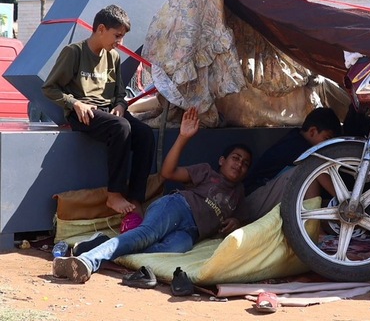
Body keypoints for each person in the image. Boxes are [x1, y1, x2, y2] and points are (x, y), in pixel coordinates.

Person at [52, 107, 252, 283]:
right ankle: (87, 261)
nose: (239, 164)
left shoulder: (239, 194)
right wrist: (183, 137)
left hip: (191, 233)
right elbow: (167, 173)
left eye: (245, 163)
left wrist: (236, 221)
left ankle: (100, 244)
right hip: (178, 207)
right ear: (222, 160)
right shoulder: (207, 172)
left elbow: (245, 223)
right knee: (145, 235)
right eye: (236, 158)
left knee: (164, 250)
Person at [41, 5, 155, 226]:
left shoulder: (113, 57)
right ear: (101, 29)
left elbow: (120, 93)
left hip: (109, 113)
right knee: (121, 128)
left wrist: (121, 105)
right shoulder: (74, 52)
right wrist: (74, 103)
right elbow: (50, 88)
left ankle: (136, 198)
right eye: (117, 35)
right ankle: (114, 194)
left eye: (122, 37)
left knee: (145, 134)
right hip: (83, 113)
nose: (119, 42)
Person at [237, 107, 341, 224]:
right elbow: (317, 169)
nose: (328, 145)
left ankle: (314, 226)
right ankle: (314, 229)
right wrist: (344, 199)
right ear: (312, 131)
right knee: (310, 170)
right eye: (326, 139)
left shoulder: (296, 138)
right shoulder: (297, 145)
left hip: (262, 200)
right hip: (252, 204)